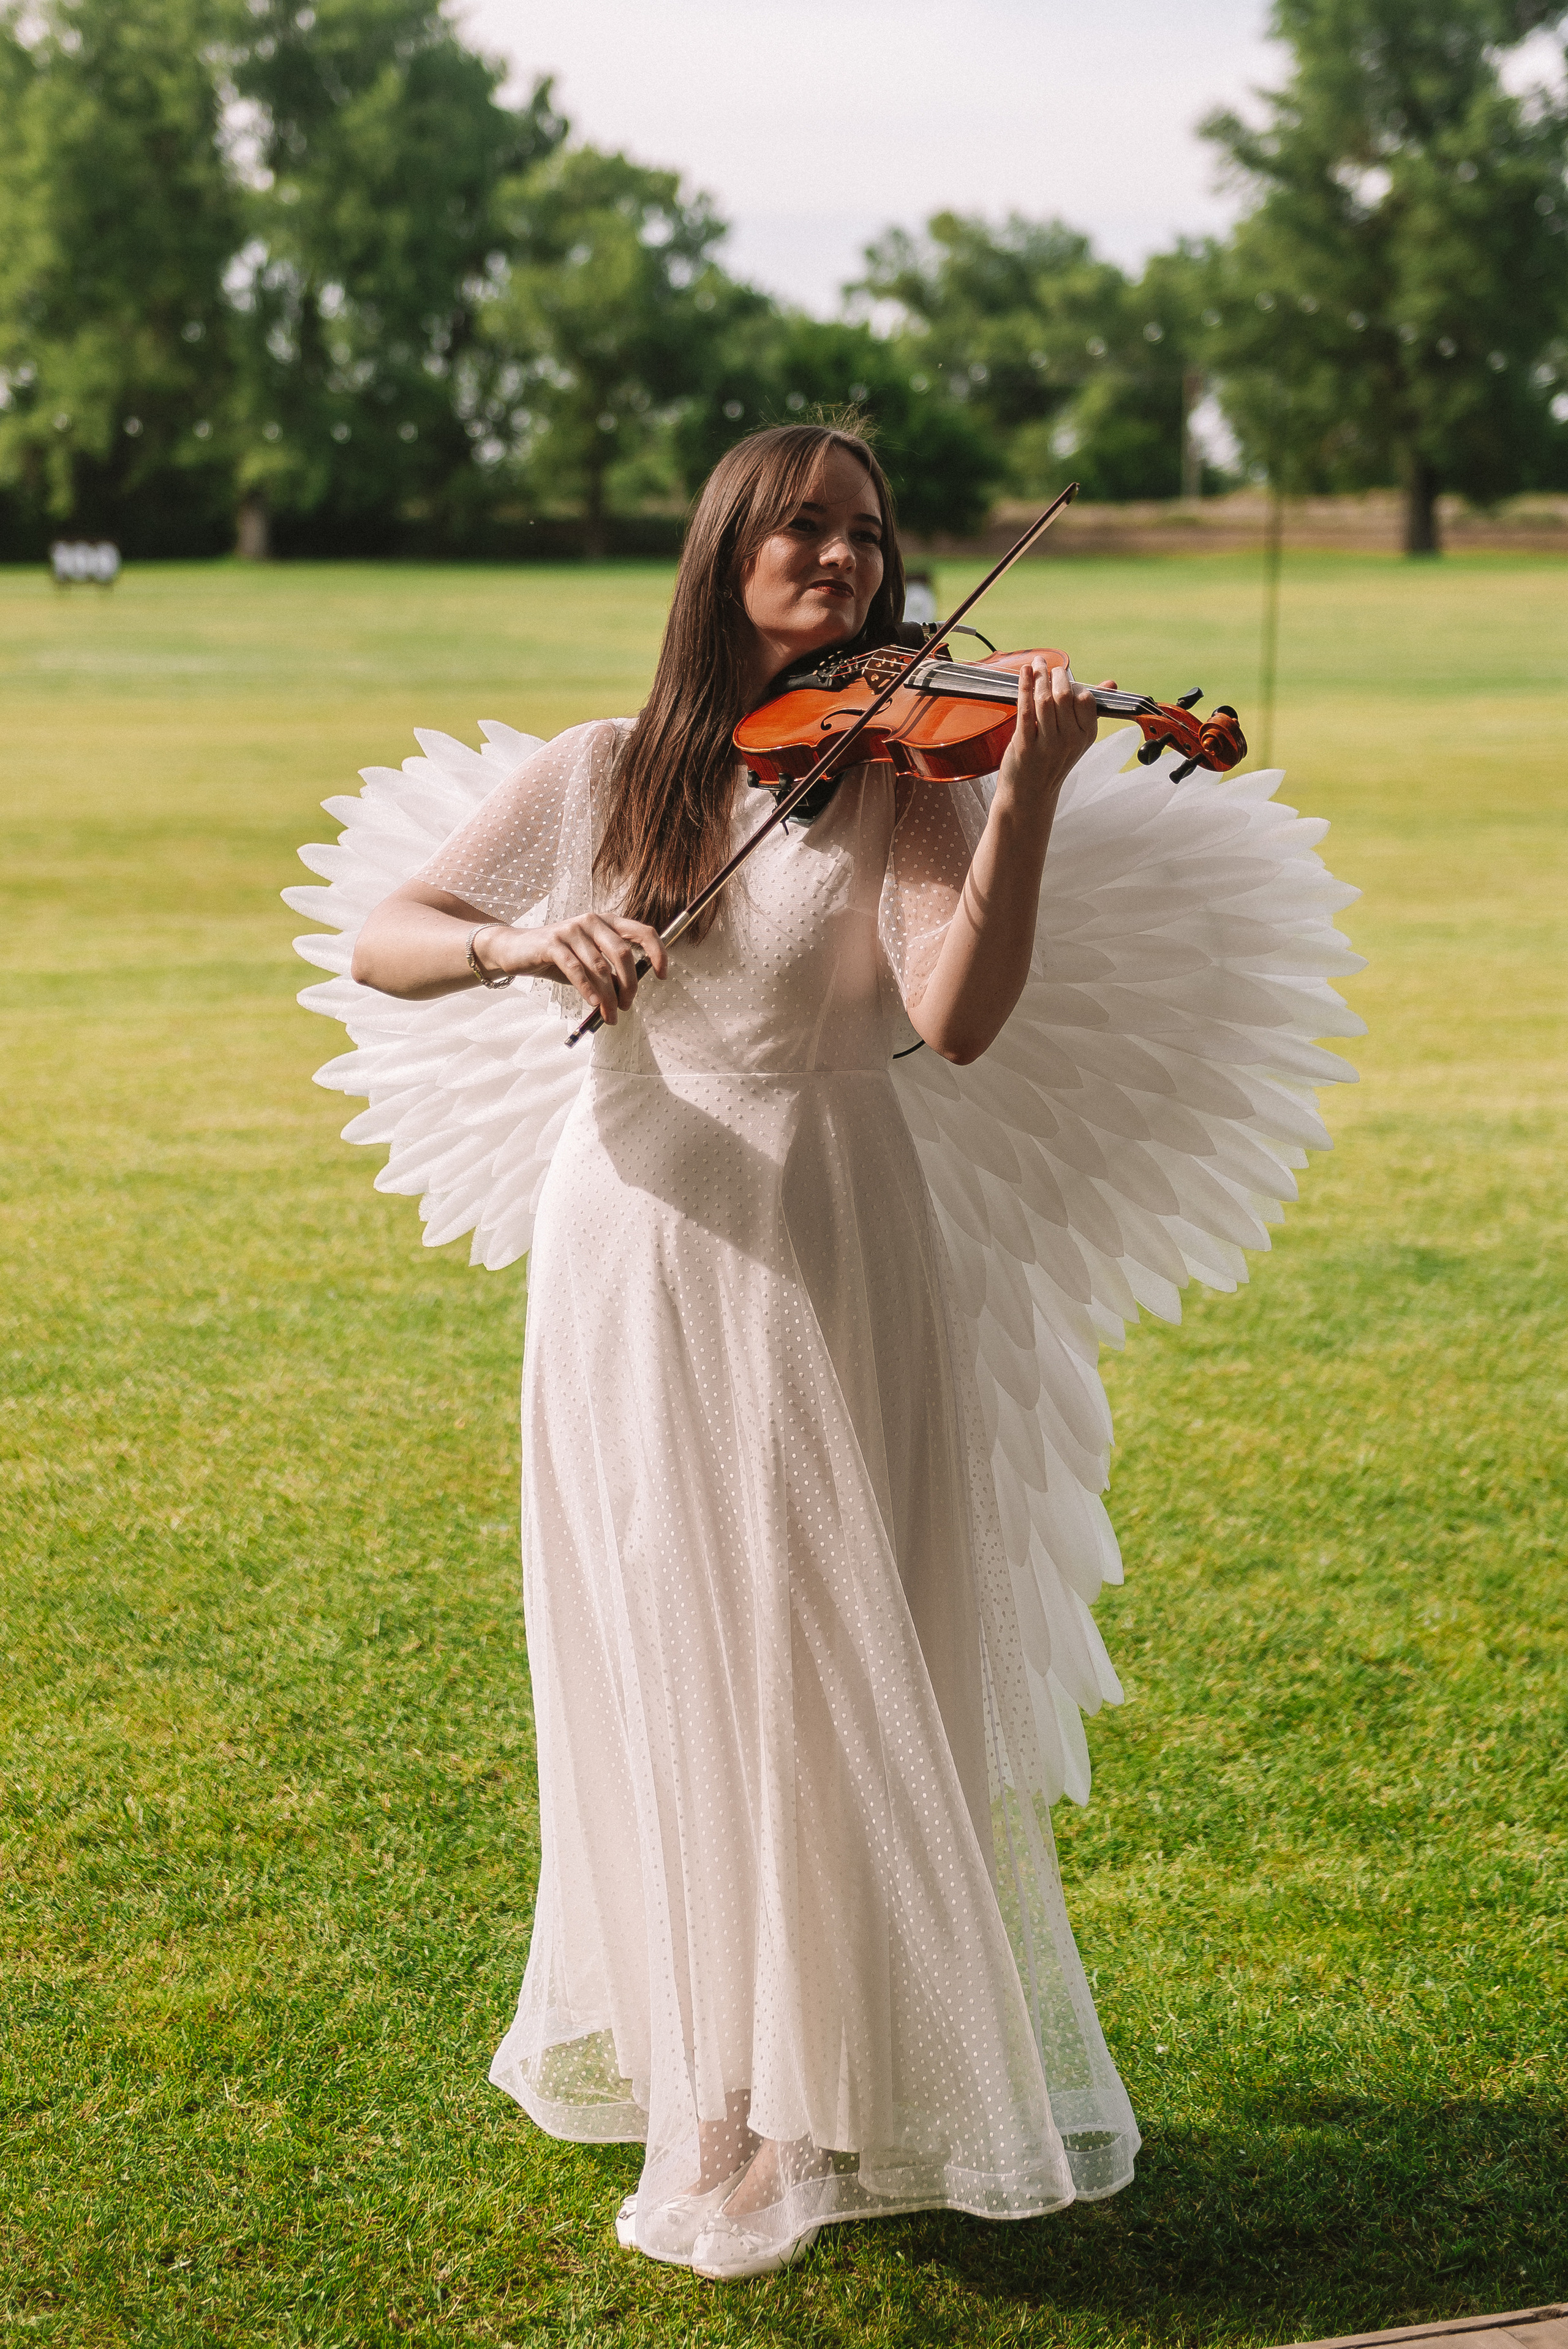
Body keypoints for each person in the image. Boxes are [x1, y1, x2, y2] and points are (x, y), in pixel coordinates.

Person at [331, 419, 1354, 2280]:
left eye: (868, 534)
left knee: (821, 1649)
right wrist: (528, 946)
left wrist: (1024, 796)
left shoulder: (904, 777)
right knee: (672, 1644)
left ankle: (807, 2102)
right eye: (802, 527)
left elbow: (958, 1017)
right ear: (724, 554)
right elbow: (389, 936)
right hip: (637, 1243)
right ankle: (716, 2089)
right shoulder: (606, 767)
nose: (843, 560)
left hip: (833, 1228)